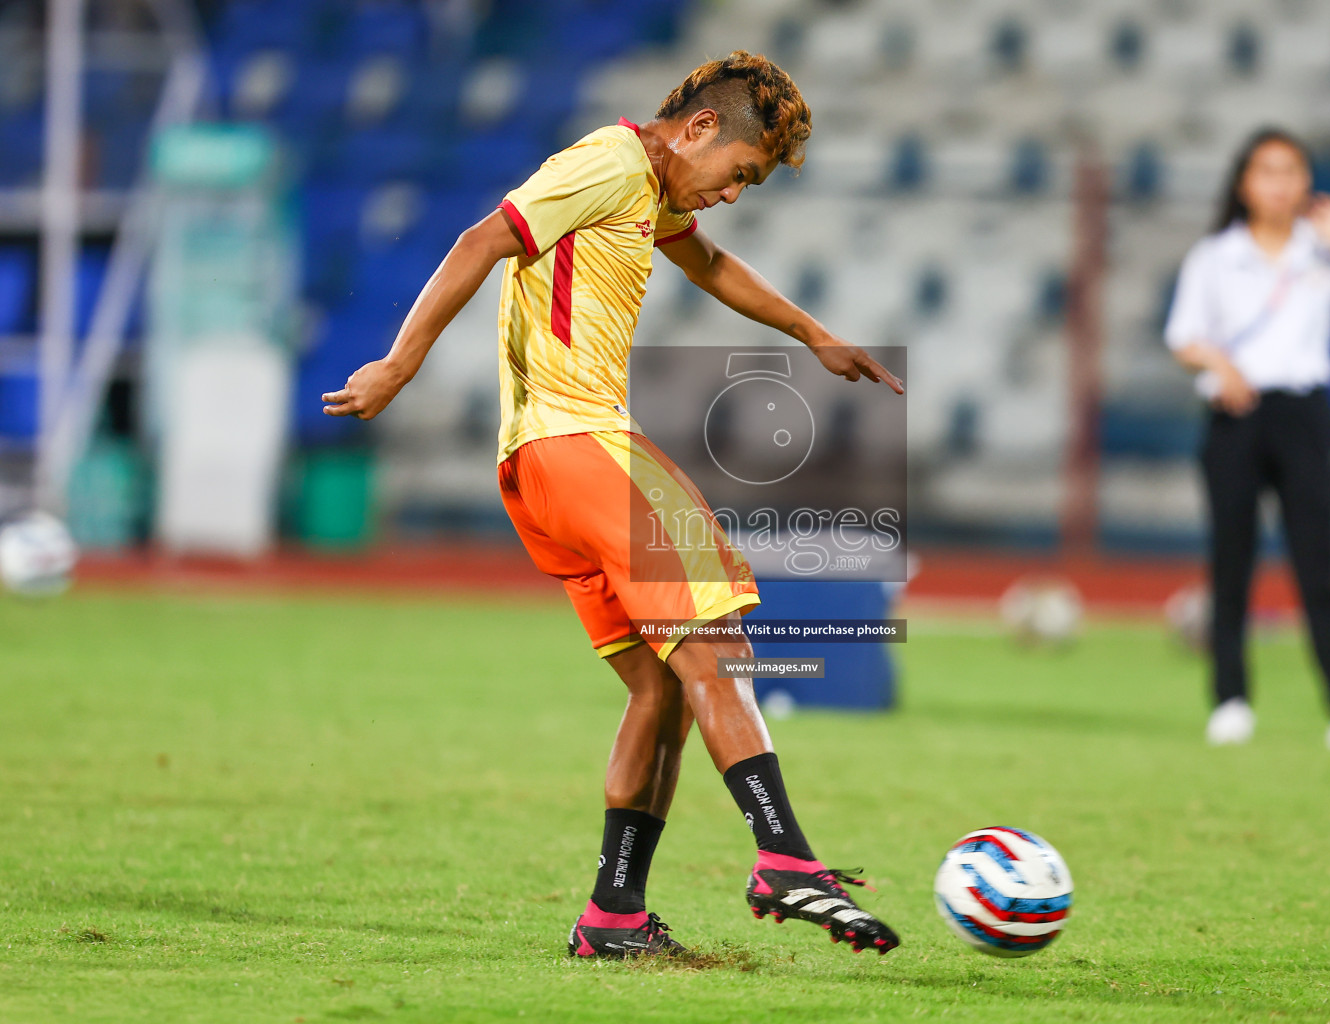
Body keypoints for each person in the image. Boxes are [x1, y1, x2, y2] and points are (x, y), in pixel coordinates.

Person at [320, 52, 904, 957]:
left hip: (535, 468)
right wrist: (401, 363)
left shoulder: (649, 189)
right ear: (702, 128)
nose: (735, 194)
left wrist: (812, 334)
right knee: (718, 645)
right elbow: (482, 240)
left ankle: (614, 916)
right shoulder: (605, 164)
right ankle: (784, 856)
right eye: (741, 173)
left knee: (660, 689)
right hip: (583, 441)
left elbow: (706, 261)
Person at [1164, 127, 1330, 754]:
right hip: (1236, 416)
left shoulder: (1322, 254)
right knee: (1231, 562)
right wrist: (1221, 364)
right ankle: (1231, 701)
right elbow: (1184, 336)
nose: (1278, 184)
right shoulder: (1216, 257)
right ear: (1244, 183)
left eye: (1291, 171)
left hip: (1304, 414)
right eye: (1266, 172)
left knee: (1316, 566)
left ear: (1307, 183)